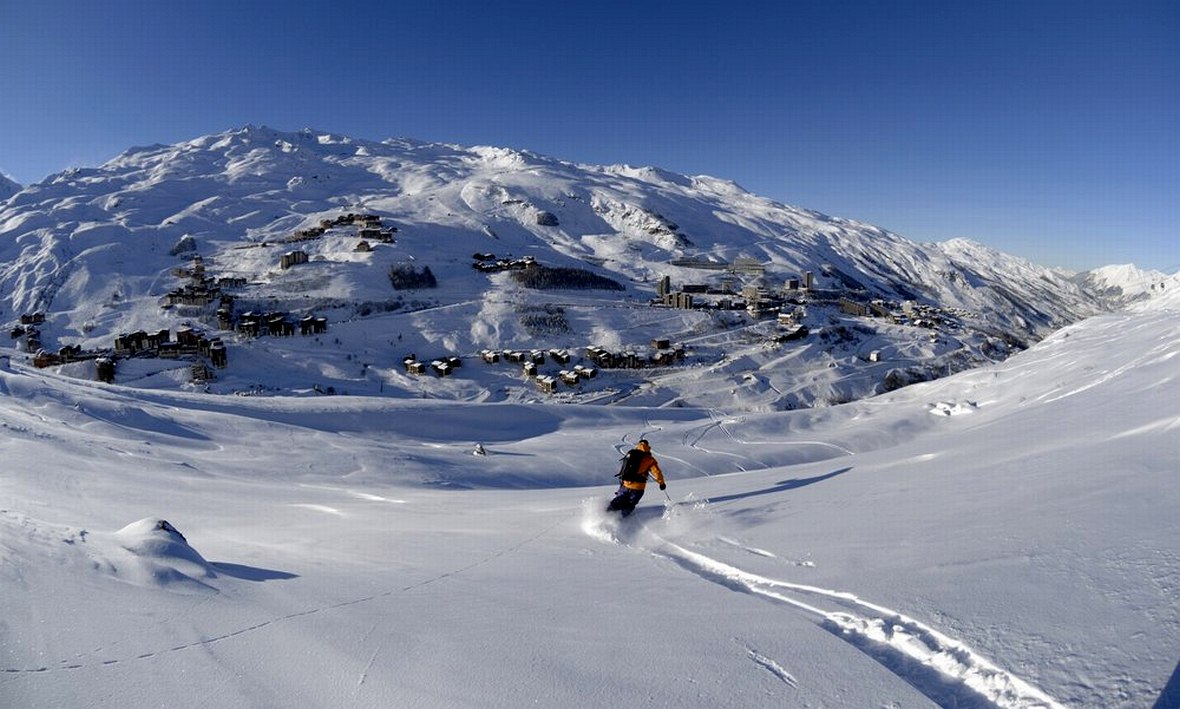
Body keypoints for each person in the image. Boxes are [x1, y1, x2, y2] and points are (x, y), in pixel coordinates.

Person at [607, 439, 666, 517]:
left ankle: (604, 514)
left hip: (625, 484)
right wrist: (661, 483)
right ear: (648, 446)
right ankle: (621, 519)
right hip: (638, 487)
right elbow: (657, 472)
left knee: (617, 501)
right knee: (630, 504)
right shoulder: (649, 459)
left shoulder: (631, 453)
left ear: (638, 445)